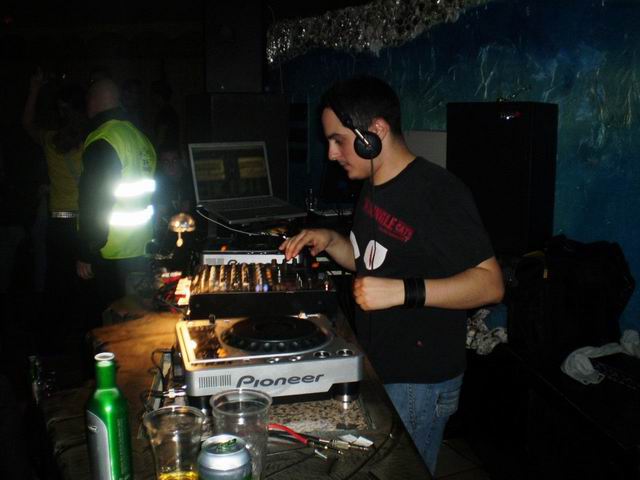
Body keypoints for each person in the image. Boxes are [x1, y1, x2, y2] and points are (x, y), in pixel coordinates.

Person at [279, 75, 504, 475]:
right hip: (382, 365)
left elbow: (490, 284)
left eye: (338, 140)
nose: (331, 153)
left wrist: (403, 291)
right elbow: (371, 263)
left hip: (420, 381)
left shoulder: (438, 191)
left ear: (375, 132)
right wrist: (330, 240)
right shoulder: (375, 185)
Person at [76, 78, 157, 319]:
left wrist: (86, 250)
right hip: (142, 247)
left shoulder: (103, 138)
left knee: (111, 321)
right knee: (137, 320)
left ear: (94, 101)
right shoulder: (141, 138)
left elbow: (95, 200)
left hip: (110, 251)